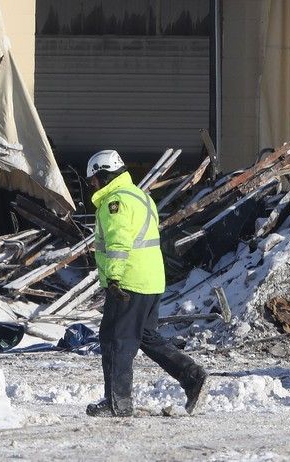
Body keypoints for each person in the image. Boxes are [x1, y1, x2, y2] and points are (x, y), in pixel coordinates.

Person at [84, 149, 208, 417]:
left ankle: (118, 403)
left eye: (92, 179)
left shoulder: (115, 202)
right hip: (151, 280)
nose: (91, 185)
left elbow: (118, 242)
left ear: (103, 175)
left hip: (129, 281)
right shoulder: (140, 196)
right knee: (147, 337)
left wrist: (114, 278)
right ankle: (193, 376)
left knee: (116, 339)